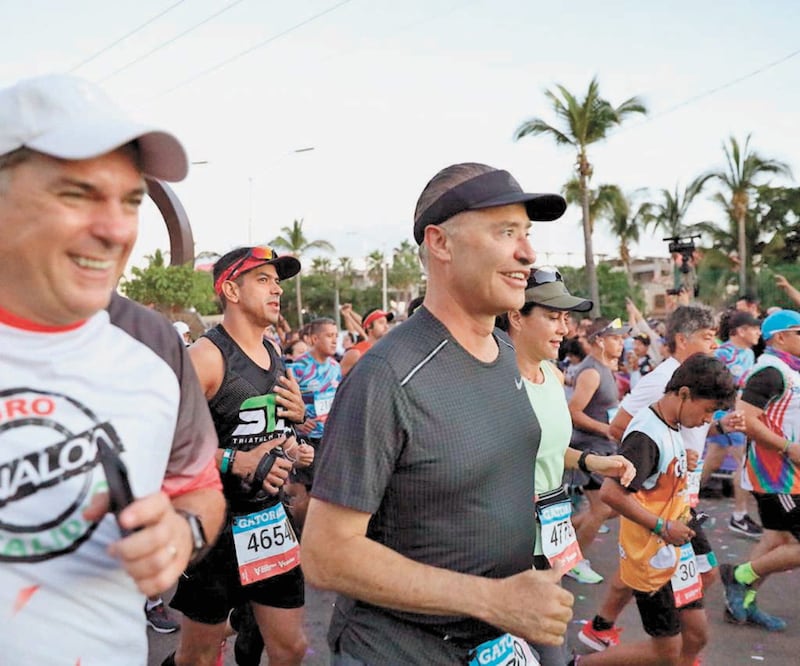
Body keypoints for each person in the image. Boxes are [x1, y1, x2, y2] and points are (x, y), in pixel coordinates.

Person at [301, 162, 574, 664]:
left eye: (527, 234)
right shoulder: (387, 376)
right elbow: (325, 553)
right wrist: (491, 599)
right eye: (505, 232)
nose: (528, 253)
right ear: (441, 243)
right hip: (401, 650)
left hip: (499, 640)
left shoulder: (504, 352)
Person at [0, 73, 226, 664]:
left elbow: (198, 489)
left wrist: (181, 534)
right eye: (77, 195)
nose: (117, 229)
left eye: (130, 201)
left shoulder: (153, 343)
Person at [167, 247, 314, 666]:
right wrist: (235, 461)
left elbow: (270, 432)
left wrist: (295, 436)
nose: (277, 290)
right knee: (197, 656)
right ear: (231, 290)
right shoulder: (205, 357)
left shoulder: (273, 353)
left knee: (291, 648)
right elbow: (161, 443)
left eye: (277, 282)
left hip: (267, 520)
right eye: (263, 280)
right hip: (215, 525)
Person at [578, 305, 744, 651]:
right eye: (707, 337)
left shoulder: (679, 407)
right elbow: (621, 431)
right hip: (659, 512)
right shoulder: (659, 389)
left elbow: (676, 430)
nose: (714, 345)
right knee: (669, 630)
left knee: (691, 608)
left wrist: (697, 442)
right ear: (682, 339)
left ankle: (608, 628)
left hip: (677, 506)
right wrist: (656, 476)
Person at [497, 268, 634, 666]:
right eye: (553, 316)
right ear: (517, 317)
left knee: (544, 644)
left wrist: (596, 461)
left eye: (565, 318)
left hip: (550, 534)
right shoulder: (493, 382)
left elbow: (551, 450)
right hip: (506, 541)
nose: (564, 328)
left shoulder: (553, 376)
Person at [721, 309, 800, 632]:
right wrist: (788, 448)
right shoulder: (769, 371)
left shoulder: (790, 369)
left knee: (776, 539)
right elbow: (745, 419)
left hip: (789, 473)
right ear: (780, 337)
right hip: (776, 474)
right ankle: (739, 576)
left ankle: (743, 604)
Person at [566, 317, 630, 585]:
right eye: (615, 338)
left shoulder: (605, 368)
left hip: (604, 447)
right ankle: (573, 562)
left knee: (611, 507)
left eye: (622, 338)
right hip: (590, 448)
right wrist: (605, 428)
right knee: (603, 508)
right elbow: (573, 412)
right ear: (600, 341)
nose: (621, 343)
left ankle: (561, 536)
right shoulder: (591, 372)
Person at [701, 309, 763, 538]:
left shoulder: (749, 353)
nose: (759, 333)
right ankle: (739, 516)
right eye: (755, 329)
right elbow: (709, 382)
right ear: (741, 331)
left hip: (736, 414)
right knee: (744, 463)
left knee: (713, 460)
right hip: (727, 416)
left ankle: (682, 501)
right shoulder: (722, 353)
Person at [286, 317, 342, 529]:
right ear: (315, 339)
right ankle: (300, 536)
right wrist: (297, 422)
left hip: (330, 439)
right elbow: (283, 401)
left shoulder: (335, 367)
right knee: (306, 494)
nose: (334, 340)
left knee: (329, 494)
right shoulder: (298, 368)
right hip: (306, 441)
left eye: (336, 335)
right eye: (329, 336)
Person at [339, 307, 394, 375]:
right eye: (381, 323)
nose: (386, 327)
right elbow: (338, 378)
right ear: (369, 326)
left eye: (387, 323)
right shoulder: (356, 353)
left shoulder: (388, 351)